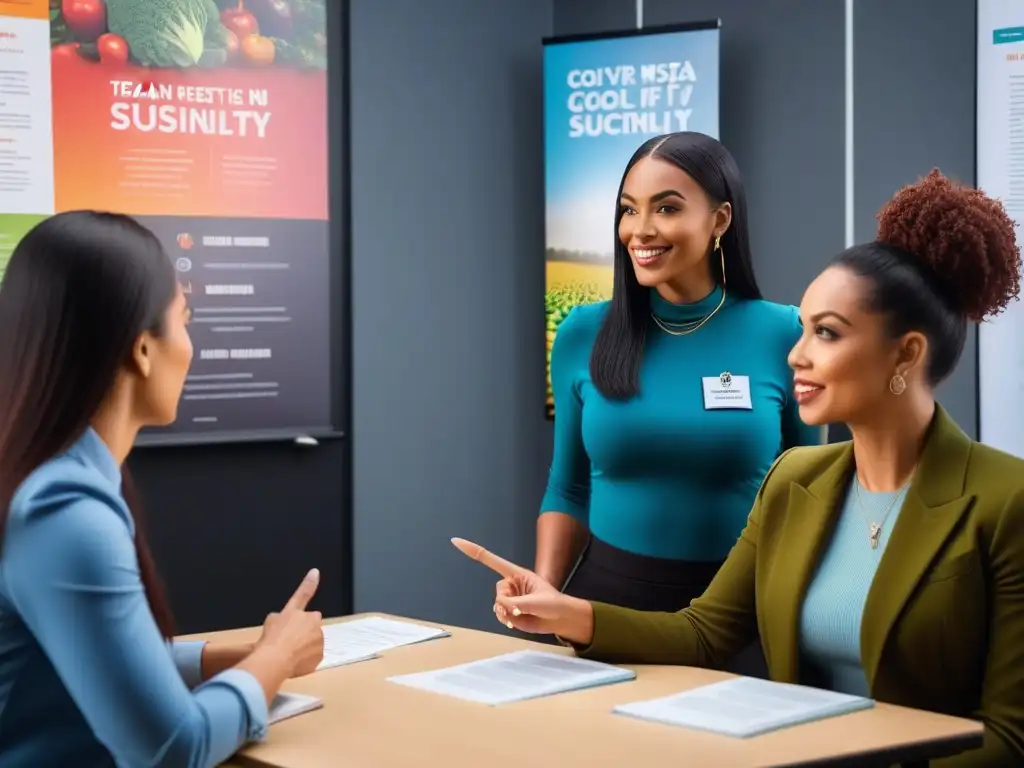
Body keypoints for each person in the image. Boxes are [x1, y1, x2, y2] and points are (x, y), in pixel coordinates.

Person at [457, 169, 1024, 766]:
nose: (796, 354)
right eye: (802, 328)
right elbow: (703, 635)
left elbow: (1010, 737)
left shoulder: (1003, 500)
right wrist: (567, 612)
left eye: (826, 334)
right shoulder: (794, 482)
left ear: (906, 353)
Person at [0, 211, 325, 767]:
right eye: (184, 319)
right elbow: (173, 748)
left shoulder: (44, 479)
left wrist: (237, 656)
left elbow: (101, 659)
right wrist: (272, 659)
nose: (190, 344)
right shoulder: (68, 513)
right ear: (142, 348)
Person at [537, 131, 821, 674]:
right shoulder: (584, 333)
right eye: (628, 210)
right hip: (603, 610)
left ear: (719, 221)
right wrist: (546, 594)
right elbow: (567, 486)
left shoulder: (784, 333)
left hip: (739, 618)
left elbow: (804, 499)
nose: (640, 230)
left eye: (666, 208)